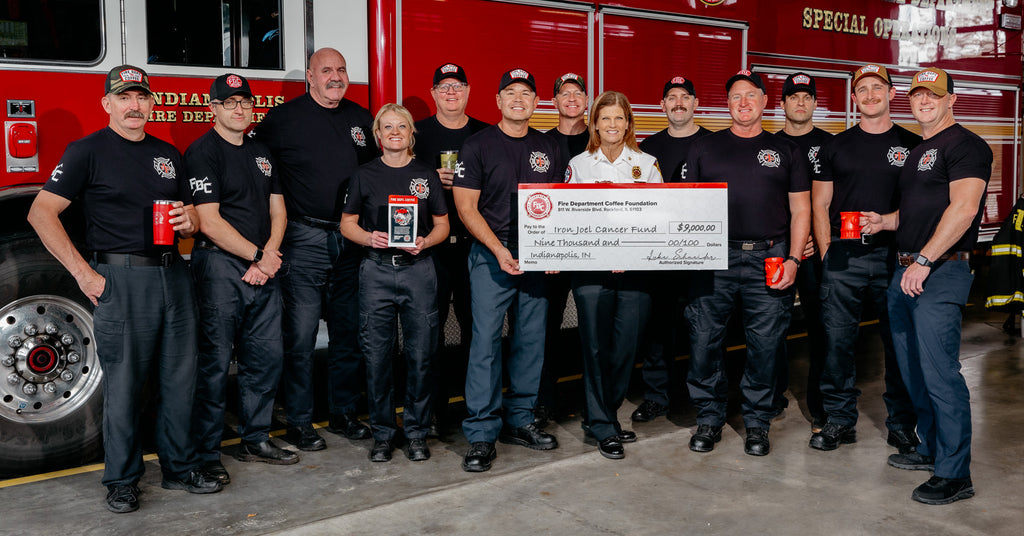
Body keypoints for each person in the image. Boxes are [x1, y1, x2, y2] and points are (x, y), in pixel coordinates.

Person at [27, 65, 221, 513]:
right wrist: (83, 274)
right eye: (124, 97)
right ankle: (122, 479)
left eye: (141, 97)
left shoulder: (168, 154)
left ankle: (179, 467)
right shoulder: (86, 152)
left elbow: (191, 218)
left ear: (152, 103)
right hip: (121, 278)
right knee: (126, 385)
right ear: (107, 104)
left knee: (179, 379)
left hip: (174, 275)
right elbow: (41, 213)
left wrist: (188, 222)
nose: (134, 105)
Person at [864, 67, 991, 505]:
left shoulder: (967, 146)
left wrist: (923, 259)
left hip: (938, 272)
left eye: (934, 95)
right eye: (918, 94)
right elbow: (916, 211)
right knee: (912, 369)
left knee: (941, 374)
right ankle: (931, 449)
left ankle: (955, 474)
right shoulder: (920, 150)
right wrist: (885, 221)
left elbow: (964, 209)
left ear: (951, 99)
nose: (924, 101)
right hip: (907, 271)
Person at [254, 48, 378, 450]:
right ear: (310, 76)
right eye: (326, 70)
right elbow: (255, 168)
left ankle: (343, 414)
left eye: (341, 69)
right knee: (301, 337)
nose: (335, 76)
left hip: (351, 240)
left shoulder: (362, 119)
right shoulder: (283, 120)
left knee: (348, 335)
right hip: (304, 240)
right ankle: (300, 423)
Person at [683, 70, 811, 456]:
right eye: (736, 96)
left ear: (765, 102)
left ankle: (757, 423)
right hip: (713, 257)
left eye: (751, 96)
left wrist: (793, 258)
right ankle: (709, 418)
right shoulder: (704, 149)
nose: (743, 103)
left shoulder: (787, 151)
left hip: (770, 257)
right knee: (704, 341)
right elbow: (686, 205)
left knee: (765, 345)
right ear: (727, 104)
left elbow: (801, 209)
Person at [186, 73, 297, 485]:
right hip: (219, 268)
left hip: (263, 267)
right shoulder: (202, 153)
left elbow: (279, 212)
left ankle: (255, 438)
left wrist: (267, 257)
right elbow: (210, 222)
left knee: (264, 359)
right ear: (213, 108)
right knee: (214, 364)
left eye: (245, 103)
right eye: (230, 103)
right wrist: (258, 256)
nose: (239, 109)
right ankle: (207, 452)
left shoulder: (262, 152)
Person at [453, 68, 565, 472]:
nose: (519, 99)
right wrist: (499, 250)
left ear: (537, 103)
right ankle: (482, 433)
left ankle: (520, 421)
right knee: (484, 344)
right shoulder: (478, 145)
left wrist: (553, 252)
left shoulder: (549, 147)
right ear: (498, 100)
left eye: (527, 93)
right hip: (490, 255)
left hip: (536, 255)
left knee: (530, 340)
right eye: (510, 93)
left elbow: (558, 205)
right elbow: (466, 208)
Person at [810, 64, 921, 453]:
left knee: (899, 344)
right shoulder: (835, 146)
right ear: (853, 98)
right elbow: (819, 204)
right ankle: (840, 420)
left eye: (878, 87)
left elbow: (924, 207)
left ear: (892, 94)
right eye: (863, 89)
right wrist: (827, 252)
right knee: (838, 343)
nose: (870, 94)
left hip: (895, 260)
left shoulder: (914, 144)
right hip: (844, 258)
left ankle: (902, 424)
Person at [341, 103, 450, 463]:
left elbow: (443, 225)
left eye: (400, 126)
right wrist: (367, 237)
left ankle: (417, 433)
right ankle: (384, 434)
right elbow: (347, 224)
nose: (394, 133)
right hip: (376, 271)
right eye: (386, 127)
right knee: (377, 357)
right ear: (377, 135)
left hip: (419, 270)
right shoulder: (363, 175)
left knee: (421, 356)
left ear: (410, 133)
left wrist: (426, 241)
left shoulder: (426, 175)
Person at [565, 90, 662, 459]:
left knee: (624, 348)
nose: (612, 125)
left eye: (619, 118)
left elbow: (658, 216)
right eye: (605, 118)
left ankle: (600, 414)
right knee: (593, 347)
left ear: (629, 123)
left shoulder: (647, 164)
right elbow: (568, 217)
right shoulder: (579, 165)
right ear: (594, 124)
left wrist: (630, 251)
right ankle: (605, 425)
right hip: (591, 271)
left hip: (635, 272)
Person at [413, 63, 489, 434]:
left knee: (480, 332)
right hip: (433, 251)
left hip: (476, 249)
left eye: (458, 85)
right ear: (433, 93)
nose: (451, 92)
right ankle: (433, 413)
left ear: (469, 91)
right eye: (443, 86)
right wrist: (432, 180)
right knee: (431, 334)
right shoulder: (417, 134)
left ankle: (478, 407)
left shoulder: (485, 135)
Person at [632, 76, 713, 423]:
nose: (678, 103)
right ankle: (656, 397)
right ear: (662, 105)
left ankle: (706, 398)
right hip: (659, 258)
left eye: (685, 97)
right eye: (671, 98)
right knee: (657, 330)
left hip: (703, 257)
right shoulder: (647, 150)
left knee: (706, 330)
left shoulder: (715, 144)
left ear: (695, 103)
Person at [773, 72, 832, 430]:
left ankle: (820, 405)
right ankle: (772, 396)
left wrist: (815, 238)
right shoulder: (768, 144)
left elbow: (833, 203)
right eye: (793, 97)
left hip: (815, 252)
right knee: (770, 328)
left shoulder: (831, 145)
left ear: (814, 104)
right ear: (781, 105)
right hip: (779, 249)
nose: (800, 102)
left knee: (820, 329)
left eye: (807, 97)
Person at [535, 72, 590, 426]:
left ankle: (594, 404)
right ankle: (543, 401)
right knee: (545, 330)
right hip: (554, 252)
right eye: (563, 93)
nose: (571, 98)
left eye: (578, 92)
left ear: (587, 101)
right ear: (553, 102)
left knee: (592, 330)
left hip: (592, 249)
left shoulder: (602, 138)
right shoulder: (540, 144)